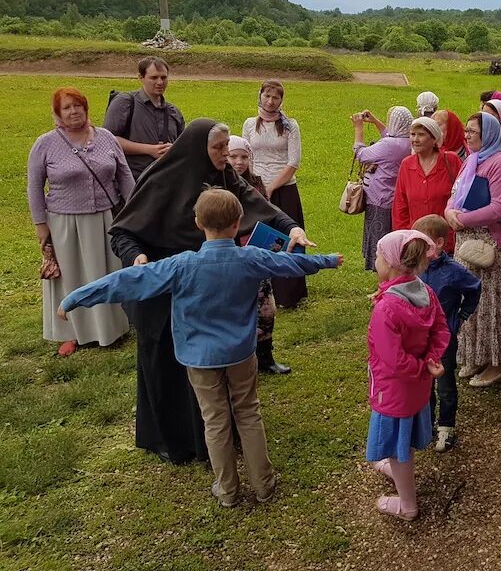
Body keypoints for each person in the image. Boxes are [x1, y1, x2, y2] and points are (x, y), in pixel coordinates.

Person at [59, 188, 340, 507]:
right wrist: (327, 261)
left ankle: (228, 490)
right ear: (238, 223)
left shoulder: (180, 265)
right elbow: (289, 264)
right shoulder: (251, 257)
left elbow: (129, 280)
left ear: (197, 223)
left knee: (216, 419)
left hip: (199, 358)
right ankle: (264, 484)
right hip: (241, 353)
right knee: (248, 412)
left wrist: (77, 296)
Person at [109, 118, 316, 465]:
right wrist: (138, 257)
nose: (225, 153)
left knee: (206, 364)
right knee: (166, 365)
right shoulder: (161, 180)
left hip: (203, 288)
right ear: (196, 149)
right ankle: (172, 438)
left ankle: (213, 438)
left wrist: (292, 228)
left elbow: (259, 205)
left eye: (226, 147)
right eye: (218, 147)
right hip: (162, 286)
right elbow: (122, 233)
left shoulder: (223, 177)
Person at [28, 87, 134, 356]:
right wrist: (41, 224)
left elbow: (124, 177)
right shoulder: (46, 143)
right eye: (67, 107)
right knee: (72, 277)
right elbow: (34, 186)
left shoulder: (107, 138)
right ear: (57, 113)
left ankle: (111, 328)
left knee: (106, 272)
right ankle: (71, 333)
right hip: (65, 222)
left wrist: (134, 211)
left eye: (78, 105)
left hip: (104, 218)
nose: (73, 111)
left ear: (86, 108)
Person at [366, 229, 449, 521]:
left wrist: (418, 367)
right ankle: (395, 468)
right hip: (417, 388)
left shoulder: (386, 309)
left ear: (390, 264)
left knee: (399, 447)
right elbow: (441, 329)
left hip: (393, 391)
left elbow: (393, 360)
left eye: (377, 256)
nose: (375, 260)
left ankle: (407, 504)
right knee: (403, 439)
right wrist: (429, 362)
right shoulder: (425, 292)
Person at [445, 113, 501, 388]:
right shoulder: (471, 161)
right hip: (465, 241)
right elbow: (454, 194)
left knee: (490, 304)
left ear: (488, 134)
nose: (467, 135)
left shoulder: (500, 164)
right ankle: (477, 354)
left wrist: (461, 219)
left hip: (487, 244)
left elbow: (500, 208)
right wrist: (449, 211)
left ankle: (498, 363)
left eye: (473, 131)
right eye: (466, 130)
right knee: (470, 303)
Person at [414, 214, 482, 453]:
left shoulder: (453, 270)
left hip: (443, 338)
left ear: (439, 243)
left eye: (423, 242)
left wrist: (461, 316)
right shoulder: (415, 267)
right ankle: (427, 425)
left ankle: (446, 426)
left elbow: (474, 288)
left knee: (444, 382)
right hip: (419, 336)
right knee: (424, 381)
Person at [227, 135, 290, 374]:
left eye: (244, 157)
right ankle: (241, 360)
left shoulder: (256, 182)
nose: (239, 162)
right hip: (232, 255)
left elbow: (267, 214)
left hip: (256, 252)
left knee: (266, 308)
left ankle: (266, 358)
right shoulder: (219, 184)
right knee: (238, 308)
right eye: (233, 156)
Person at [242, 80, 307, 309]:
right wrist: (255, 185)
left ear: (281, 100)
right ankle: (261, 287)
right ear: (260, 96)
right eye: (267, 96)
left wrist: (271, 187)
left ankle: (289, 293)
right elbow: (246, 156)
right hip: (256, 188)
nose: (270, 101)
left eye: (275, 98)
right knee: (261, 238)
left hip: (284, 188)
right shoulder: (250, 124)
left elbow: (293, 162)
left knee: (288, 237)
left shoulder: (290, 126)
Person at [103, 56, 185, 180]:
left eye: (163, 77)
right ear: (141, 78)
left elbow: (183, 145)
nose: (160, 82)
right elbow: (108, 139)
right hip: (133, 181)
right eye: (154, 77)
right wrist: (150, 150)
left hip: (167, 180)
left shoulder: (174, 112)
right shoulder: (125, 102)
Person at [352, 106, 414, 270]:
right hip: (396, 199)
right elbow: (390, 135)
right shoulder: (409, 142)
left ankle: (381, 281)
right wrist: (375, 121)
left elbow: (361, 154)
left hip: (379, 199)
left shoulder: (389, 145)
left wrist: (358, 128)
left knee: (379, 242)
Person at [391, 117, 462, 254]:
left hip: (447, 243)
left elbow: (462, 197)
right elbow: (400, 206)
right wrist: (405, 238)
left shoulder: (451, 161)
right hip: (416, 243)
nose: (415, 139)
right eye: (412, 134)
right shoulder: (406, 165)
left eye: (421, 135)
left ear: (434, 139)